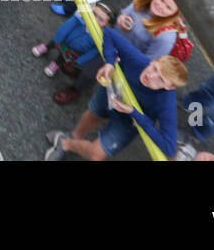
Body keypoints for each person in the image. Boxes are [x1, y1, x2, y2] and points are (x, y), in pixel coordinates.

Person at [45, 32, 188, 160]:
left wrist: (134, 113)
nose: (151, 75)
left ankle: (65, 143)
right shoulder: (139, 61)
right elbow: (109, 33)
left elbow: (169, 148)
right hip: (115, 89)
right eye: (154, 68)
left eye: (160, 79)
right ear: (153, 61)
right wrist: (109, 63)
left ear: (169, 87)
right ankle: (74, 136)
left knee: (96, 154)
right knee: (94, 113)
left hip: (132, 118)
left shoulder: (166, 104)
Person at [33, 4, 114, 79]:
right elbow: (66, 27)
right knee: (53, 43)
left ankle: (55, 64)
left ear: (107, 25)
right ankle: (46, 47)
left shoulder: (101, 38)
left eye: (101, 19)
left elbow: (94, 52)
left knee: (63, 57)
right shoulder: (81, 19)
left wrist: (81, 60)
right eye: (94, 14)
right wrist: (58, 37)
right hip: (64, 40)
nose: (95, 19)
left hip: (74, 51)